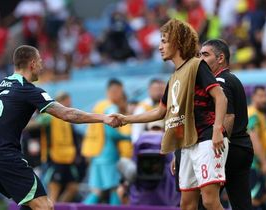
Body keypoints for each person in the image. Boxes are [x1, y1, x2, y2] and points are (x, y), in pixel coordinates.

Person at [0, 45, 119, 210]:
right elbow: (68, 114)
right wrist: (103, 118)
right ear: (32, 64)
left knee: (30, 206)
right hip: (6, 159)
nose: (42, 66)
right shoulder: (28, 90)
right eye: (40, 62)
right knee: (45, 206)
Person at [112, 19, 228, 210]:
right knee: (186, 204)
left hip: (207, 138)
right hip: (187, 145)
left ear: (178, 41)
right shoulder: (173, 77)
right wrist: (126, 119)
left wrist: (217, 130)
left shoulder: (197, 65)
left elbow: (220, 97)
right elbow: (160, 112)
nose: (159, 47)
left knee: (209, 201)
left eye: (164, 41)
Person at [198, 39, 254, 209]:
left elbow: (228, 116)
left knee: (205, 202)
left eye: (205, 55)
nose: (200, 59)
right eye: (199, 55)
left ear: (220, 58)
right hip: (243, 147)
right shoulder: (232, 79)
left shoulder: (220, 81)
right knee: (241, 203)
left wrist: (221, 146)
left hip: (227, 148)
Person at [81, 79, 131, 205]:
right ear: (114, 91)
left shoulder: (99, 105)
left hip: (95, 152)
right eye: (120, 91)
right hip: (108, 154)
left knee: (97, 191)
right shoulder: (111, 107)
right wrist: (129, 138)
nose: (120, 94)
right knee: (115, 187)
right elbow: (111, 133)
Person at [247, 85, 266, 209]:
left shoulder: (260, 115)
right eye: (260, 96)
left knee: (262, 198)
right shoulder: (252, 114)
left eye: (265, 96)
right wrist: (265, 162)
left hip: (257, 165)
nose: (264, 99)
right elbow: (254, 140)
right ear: (253, 97)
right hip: (252, 165)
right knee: (254, 199)